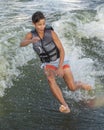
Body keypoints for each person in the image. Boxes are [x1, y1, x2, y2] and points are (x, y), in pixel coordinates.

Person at [20, 11, 91, 113]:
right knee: (50, 78)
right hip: (47, 63)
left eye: (43, 24)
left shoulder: (51, 33)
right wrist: (30, 41)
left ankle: (80, 84)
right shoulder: (31, 35)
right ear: (33, 24)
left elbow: (62, 50)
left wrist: (60, 67)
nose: (42, 26)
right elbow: (22, 43)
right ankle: (65, 105)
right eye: (39, 24)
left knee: (72, 87)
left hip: (60, 60)